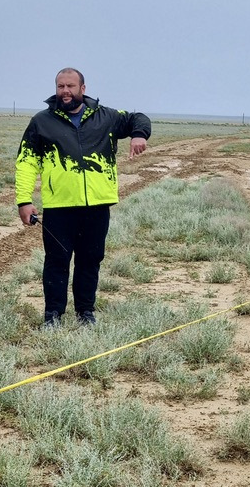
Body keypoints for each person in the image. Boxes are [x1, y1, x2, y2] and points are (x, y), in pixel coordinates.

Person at [16, 68, 151, 326]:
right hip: (59, 207)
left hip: (96, 206)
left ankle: (85, 313)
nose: (65, 91)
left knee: (90, 260)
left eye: (70, 86)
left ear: (83, 89)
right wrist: (24, 200)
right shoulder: (41, 121)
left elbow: (138, 118)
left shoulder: (106, 118)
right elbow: (26, 163)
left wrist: (138, 134)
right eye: (60, 86)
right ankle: (52, 315)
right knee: (57, 261)